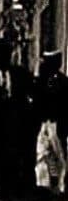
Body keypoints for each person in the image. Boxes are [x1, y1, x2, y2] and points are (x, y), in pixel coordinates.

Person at [0, 38, 33, 199]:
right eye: (0, 55)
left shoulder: (20, 73)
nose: (3, 58)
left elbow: (29, 93)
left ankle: (15, 188)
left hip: (15, 121)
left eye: (6, 54)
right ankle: (0, 189)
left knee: (14, 154)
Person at [33, 51, 68, 193]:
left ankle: (60, 184)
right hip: (44, 122)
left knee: (58, 155)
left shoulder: (62, 82)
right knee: (44, 154)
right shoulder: (42, 81)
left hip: (56, 123)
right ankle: (49, 182)